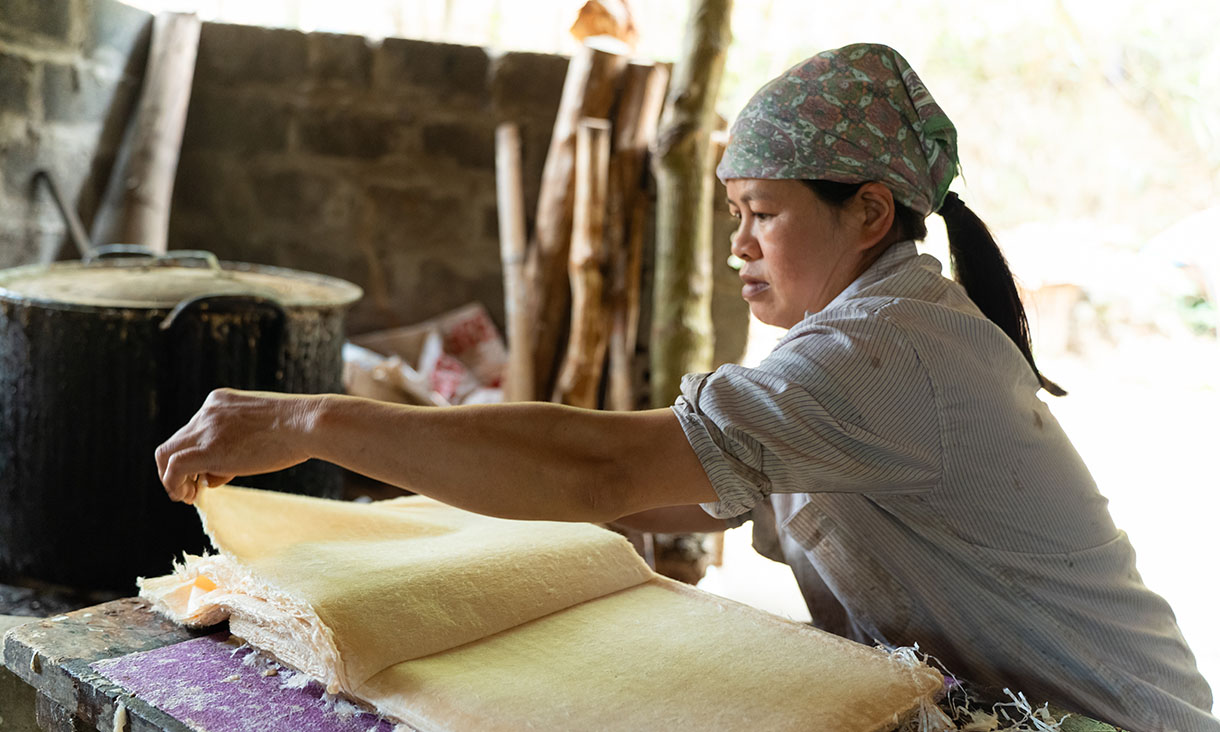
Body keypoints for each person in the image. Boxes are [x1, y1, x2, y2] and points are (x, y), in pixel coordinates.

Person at [155, 43, 1217, 731]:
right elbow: (654, 491)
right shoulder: (858, 337)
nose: (737, 246)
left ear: (868, 214)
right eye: (730, 213)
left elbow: (610, 465)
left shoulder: (888, 352)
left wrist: (312, 419)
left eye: (761, 212)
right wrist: (441, 477)